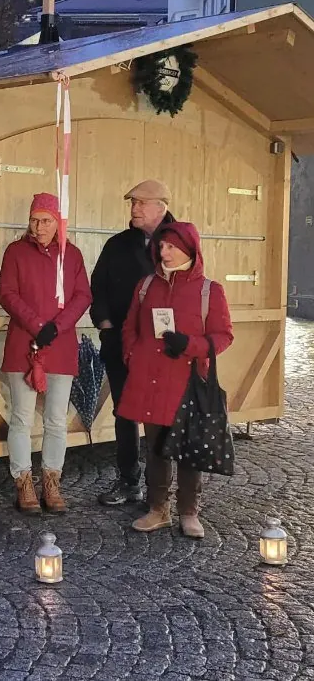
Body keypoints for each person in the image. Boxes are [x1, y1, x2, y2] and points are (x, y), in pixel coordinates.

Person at [117, 222, 233, 539]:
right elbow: (130, 327)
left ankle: (188, 512)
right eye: (161, 246)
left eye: (169, 246)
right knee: (155, 447)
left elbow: (223, 336)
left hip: (188, 381)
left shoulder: (210, 290)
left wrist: (191, 346)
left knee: (188, 448)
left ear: (188, 249)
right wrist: (132, 355)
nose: (162, 252)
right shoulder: (146, 285)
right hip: (150, 379)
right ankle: (157, 509)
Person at [0, 193, 91, 514]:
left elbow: (82, 296)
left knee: (56, 420)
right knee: (21, 418)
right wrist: (38, 324)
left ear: (58, 223)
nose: (39, 227)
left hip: (61, 343)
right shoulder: (15, 252)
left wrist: (57, 325)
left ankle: (52, 480)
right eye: (34, 220)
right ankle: (23, 481)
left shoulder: (73, 255)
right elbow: (7, 294)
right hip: (25, 340)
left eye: (46, 221)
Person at [91, 180, 176, 507]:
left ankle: (162, 492)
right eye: (132, 203)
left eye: (142, 203)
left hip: (161, 349)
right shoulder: (118, 244)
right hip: (119, 345)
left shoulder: (179, 241)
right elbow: (97, 288)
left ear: (161, 207)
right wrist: (106, 326)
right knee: (125, 414)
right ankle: (128, 481)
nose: (134, 208)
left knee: (163, 417)